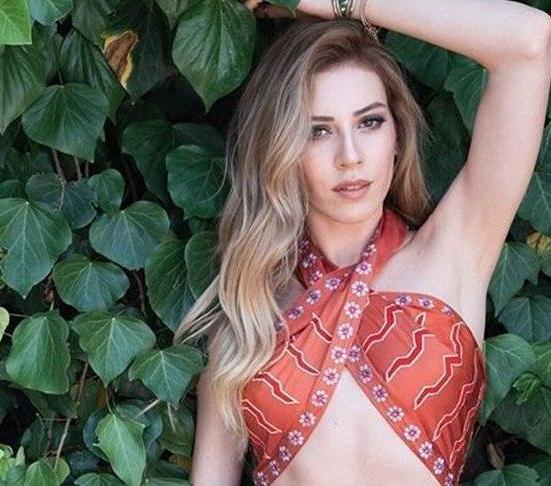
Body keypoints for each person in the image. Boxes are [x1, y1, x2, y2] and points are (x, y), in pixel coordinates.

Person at [173, 0, 551, 485]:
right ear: (279, 147)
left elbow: (527, 40)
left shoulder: (453, 252)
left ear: (397, 134)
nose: (350, 156)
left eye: (369, 122)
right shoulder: (247, 321)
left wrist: (335, 3)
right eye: (317, 130)